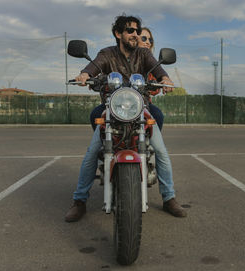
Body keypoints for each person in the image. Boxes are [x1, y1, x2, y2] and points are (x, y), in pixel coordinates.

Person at [65, 15, 187, 223]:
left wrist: (165, 79)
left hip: (142, 108)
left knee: (160, 150)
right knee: (93, 151)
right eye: (130, 30)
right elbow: (93, 66)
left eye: (137, 31)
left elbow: (159, 71)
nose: (135, 34)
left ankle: (169, 198)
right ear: (118, 33)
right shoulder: (107, 54)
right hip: (111, 108)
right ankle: (79, 201)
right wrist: (84, 75)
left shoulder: (144, 54)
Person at [89, 27, 164, 131]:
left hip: (141, 104)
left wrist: (159, 82)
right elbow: (98, 68)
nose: (148, 42)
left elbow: (156, 86)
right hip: (114, 103)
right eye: (144, 38)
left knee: (158, 115)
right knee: (96, 114)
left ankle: (153, 146)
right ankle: (100, 144)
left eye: (150, 40)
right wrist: (95, 79)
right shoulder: (112, 55)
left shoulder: (149, 62)